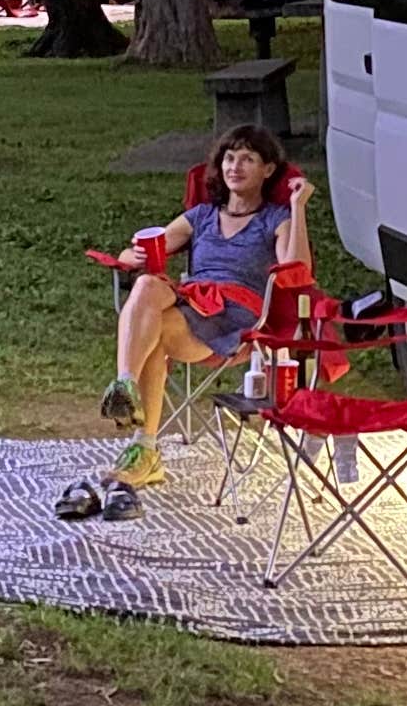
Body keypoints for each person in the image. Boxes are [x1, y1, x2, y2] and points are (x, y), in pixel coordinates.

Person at [98, 123, 308, 489]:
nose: (235, 167)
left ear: (268, 169)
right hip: (193, 299)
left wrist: (297, 206)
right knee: (147, 283)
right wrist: (133, 252)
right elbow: (141, 252)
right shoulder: (202, 216)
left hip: (235, 317)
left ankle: (145, 449)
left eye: (248, 159)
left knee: (156, 333)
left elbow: (297, 269)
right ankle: (125, 385)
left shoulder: (276, 219)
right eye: (229, 158)